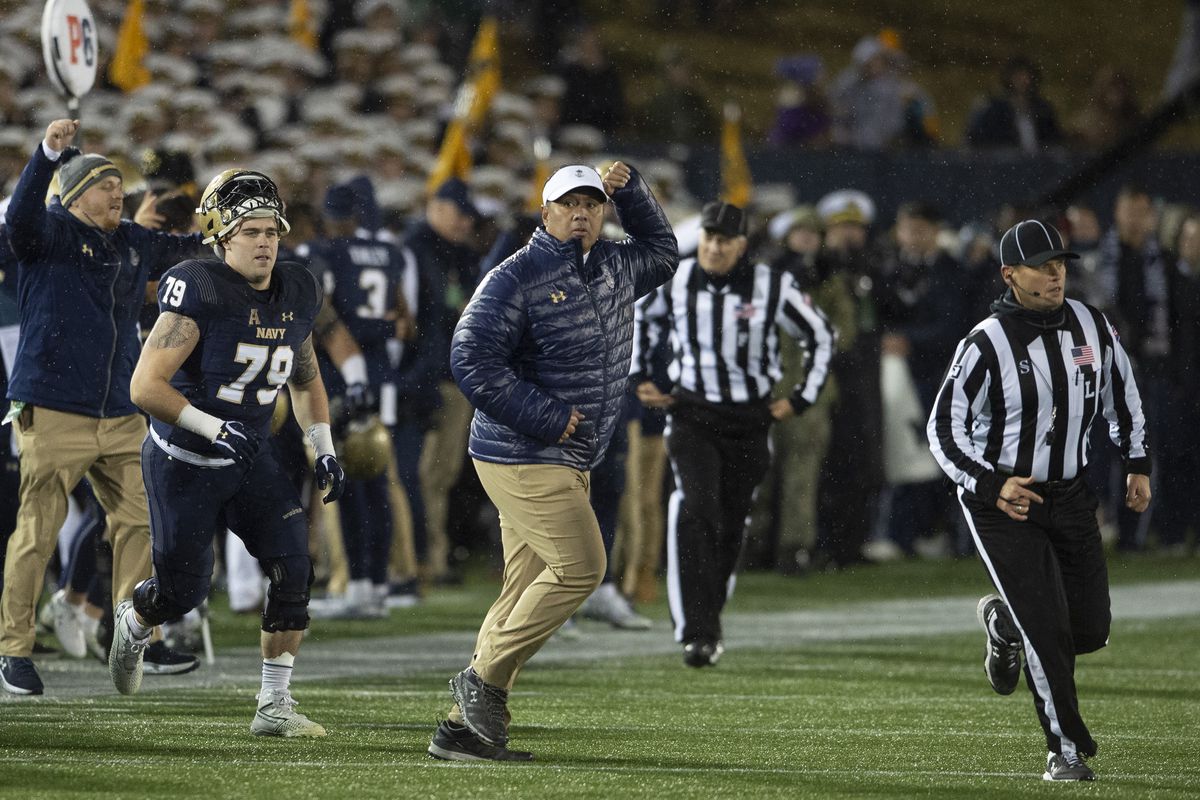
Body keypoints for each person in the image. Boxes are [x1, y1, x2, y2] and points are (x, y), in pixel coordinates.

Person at [428, 162, 676, 762]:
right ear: (546, 213)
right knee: (583, 568)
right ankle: (484, 682)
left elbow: (665, 253)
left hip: (564, 453)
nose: (583, 213)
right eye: (570, 204)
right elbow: (470, 357)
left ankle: (463, 730)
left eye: (593, 204)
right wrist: (544, 416)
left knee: (521, 589)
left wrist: (635, 192)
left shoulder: (616, 264)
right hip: (523, 450)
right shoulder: (517, 274)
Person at [111, 169, 346, 738]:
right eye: (250, 231)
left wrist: (322, 448)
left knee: (295, 568)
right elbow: (145, 387)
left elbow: (306, 377)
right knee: (182, 591)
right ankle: (136, 617)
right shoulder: (202, 289)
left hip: (247, 457)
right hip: (182, 461)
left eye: (271, 230)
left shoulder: (296, 290)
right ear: (219, 235)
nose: (265, 242)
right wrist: (211, 427)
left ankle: (273, 704)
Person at [927, 220, 1151, 782]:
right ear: (1010, 275)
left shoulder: (1091, 323)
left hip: (1072, 495)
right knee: (1048, 633)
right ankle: (1064, 750)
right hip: (1005, 501)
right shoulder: (986, 342)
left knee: (1090, 629)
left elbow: (1122, 395)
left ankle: (1005, 625)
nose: (1057, 275)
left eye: (1062, 264)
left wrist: (1137, 462)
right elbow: (942, 428)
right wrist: (989, 484)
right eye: (1042, 266)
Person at [0, 119, 202, 696]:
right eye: (105, 184)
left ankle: (135, 637)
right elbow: (19, 222)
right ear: (74, 193)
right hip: (55, 404)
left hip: (118, 409)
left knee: (142, 523)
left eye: (120, 184)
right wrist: (45, 156)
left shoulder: (129, 241)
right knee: (37, 530)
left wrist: (227, 230)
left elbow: (184, 248)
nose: (119, 192)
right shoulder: (50, 232)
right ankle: (12, 648)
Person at [632, 201, 835, 667]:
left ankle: (709, 620)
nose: (714, 247)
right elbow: (641, 315)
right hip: (693, 414)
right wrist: (641, 373)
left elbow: (821, 336)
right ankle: (696, 631)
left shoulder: (771, 285)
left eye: (724, 239)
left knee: (729, 523)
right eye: (707, 238)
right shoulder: (678, 279)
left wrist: (801, 398)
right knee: (697, 508)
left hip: (748, 421)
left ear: (741, 245)